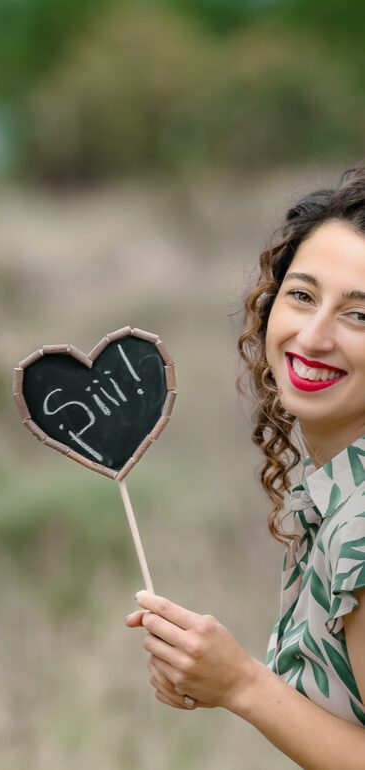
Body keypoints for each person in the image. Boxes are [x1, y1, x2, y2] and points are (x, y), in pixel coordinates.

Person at [126, 165, 365, 767]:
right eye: (302, 295)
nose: (313, 336)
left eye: (359, 315)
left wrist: (242, 684)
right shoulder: (337, 490)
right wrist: (214, 674)